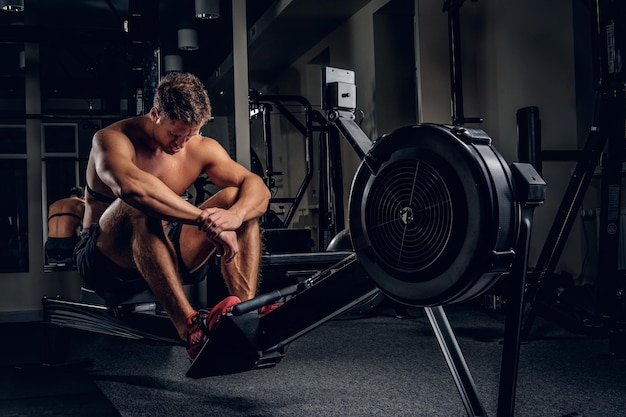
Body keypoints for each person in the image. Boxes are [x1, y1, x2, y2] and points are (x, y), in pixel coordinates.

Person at [74, 72, 271, 360]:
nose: (180, 144)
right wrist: (208, 223)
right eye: (174, 134)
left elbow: (258, 189)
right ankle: (189, 328)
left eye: (190, 135)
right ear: (155, 114)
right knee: (138, 203)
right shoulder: (112, 139)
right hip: (105, 260)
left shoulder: (198, 146)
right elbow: (132, 188)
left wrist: (235, 217)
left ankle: (245, 313)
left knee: (234, 197)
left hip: (165, 251)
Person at [45, 186, 85, 263]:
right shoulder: (82, 203)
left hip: (50, 248)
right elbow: (89, 227)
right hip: (69, 247)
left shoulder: (54, 205)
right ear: (82, 197)